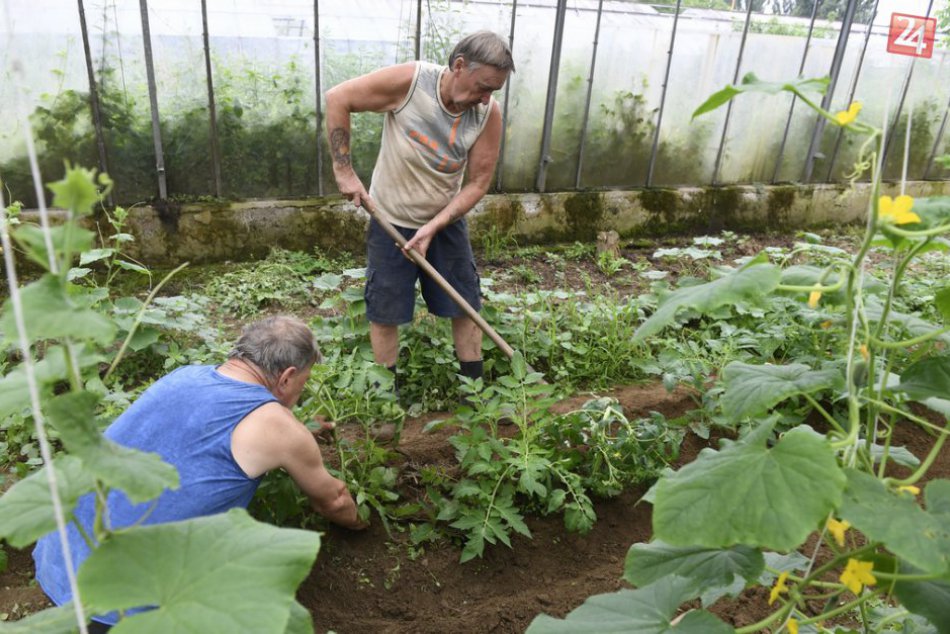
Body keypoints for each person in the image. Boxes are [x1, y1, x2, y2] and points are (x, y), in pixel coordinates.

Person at [33, 315, 365, 631]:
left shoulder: (185, 375)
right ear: (287, 376)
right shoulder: (277, 427)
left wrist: (298, 430)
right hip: (119, 611)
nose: (299, 395)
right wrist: (362, 525)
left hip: (56, 563)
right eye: (302, 385)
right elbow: (333, 501)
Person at [324, 30, 515, 393]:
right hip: (390, 220)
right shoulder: (411, 83)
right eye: (483, 86)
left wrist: (434, 227)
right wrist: (343, 169)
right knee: (385, 311)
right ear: (459, 66)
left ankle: (474, 396)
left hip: (445, 223)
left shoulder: (487, 113)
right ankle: (384, 401)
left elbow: (477, 183)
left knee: (466, 305)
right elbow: (338, 98)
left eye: (494, 91)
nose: (486, 97)